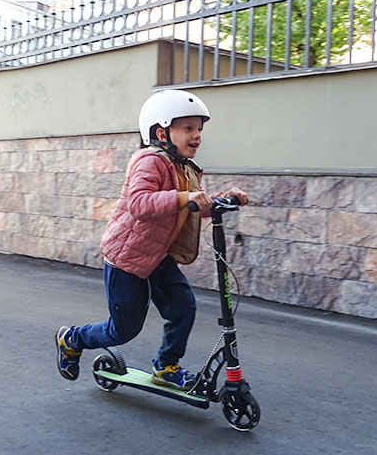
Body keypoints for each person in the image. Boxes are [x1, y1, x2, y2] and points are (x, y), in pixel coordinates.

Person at [56, 90, 249, 390]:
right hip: (127, 258)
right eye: (188, 128)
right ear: (161, 133)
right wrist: (185, 198)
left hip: (159, 256)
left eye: (199, 129)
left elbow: (195, 205)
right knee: (123, 330)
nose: (197, 136)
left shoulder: (184, 168)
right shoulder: (149, 160)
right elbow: (140, 204)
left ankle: (166, 366)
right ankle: (72, 339)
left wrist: (224, 198)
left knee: (183, 307)